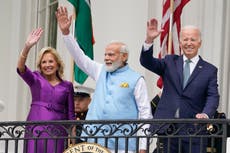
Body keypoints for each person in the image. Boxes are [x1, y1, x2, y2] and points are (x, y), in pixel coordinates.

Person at [56, 6, 153, 153]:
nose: (107, 58)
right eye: (106, 54)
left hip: (123, 144)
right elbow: (80, 58)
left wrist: (143, 146)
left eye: (111, 55)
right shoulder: (100, 70)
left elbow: (145, 113)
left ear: (124, 57)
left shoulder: (136, 79)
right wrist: (66, 33)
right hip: (94, 141)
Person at [139, 18, 219, 153]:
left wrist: (206, 114)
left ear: (199, 43)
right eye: (185, 40)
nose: (189, 43)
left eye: (192, 40)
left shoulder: (209, 70)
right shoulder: (170, 61)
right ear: (180, 42)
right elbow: (147, 62)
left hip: (194, 129)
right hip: (167, 128)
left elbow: (213, 96)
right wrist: (149, 41)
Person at [17, 28, 75, 153]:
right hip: (36, 127)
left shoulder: (67, 85)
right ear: (40, 66)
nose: (47, 65)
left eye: (50, 61)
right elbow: (21, 68)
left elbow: (71, 115)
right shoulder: (35, 79)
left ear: (58, 64)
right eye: (43, 62)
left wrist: (74, 143)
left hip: (58, 130)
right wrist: (27, 47)